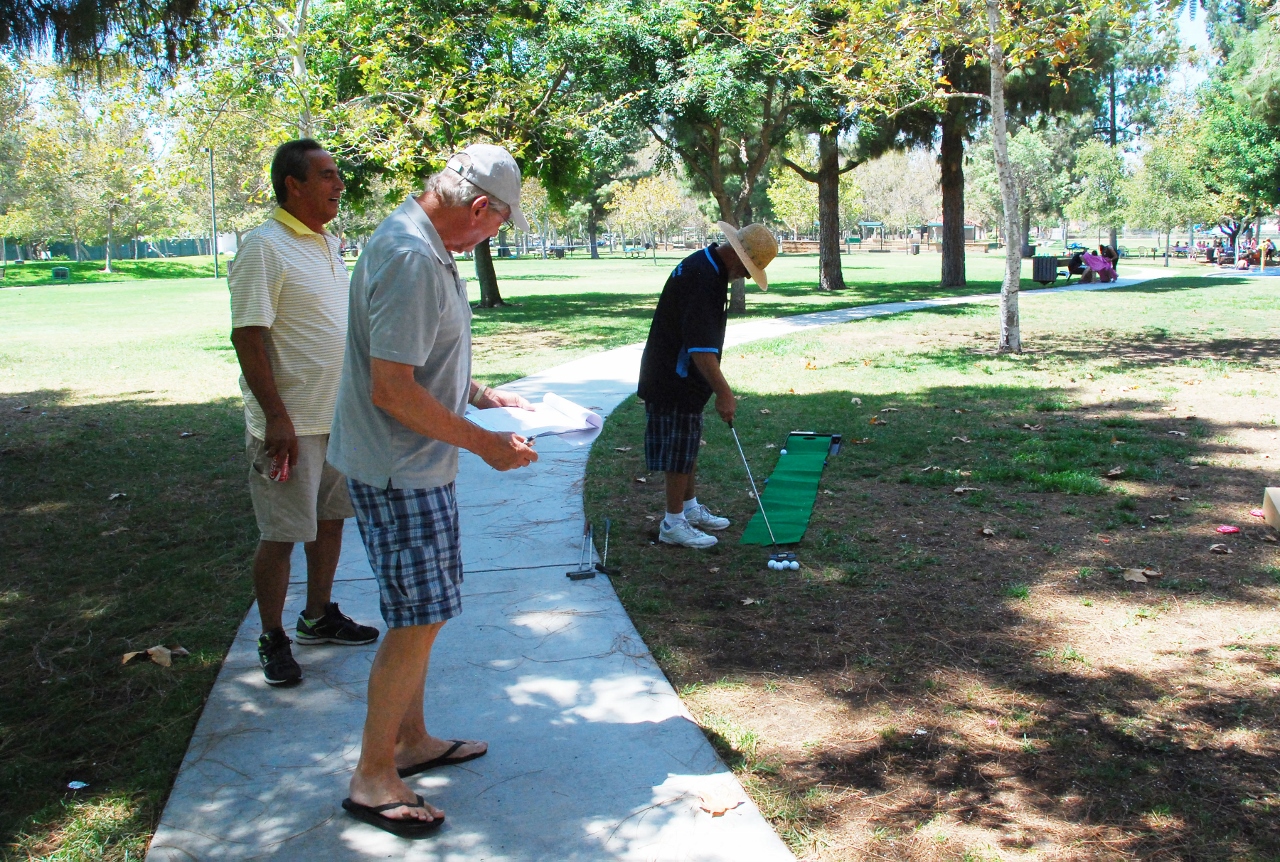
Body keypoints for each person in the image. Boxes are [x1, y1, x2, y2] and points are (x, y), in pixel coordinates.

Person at [328, 144, 538, 836]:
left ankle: (410, 741)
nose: (494, 235)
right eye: (499, 225)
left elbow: (413, 358)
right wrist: (487, 445)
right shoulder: (414, 256)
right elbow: (391, 390)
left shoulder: (417, 241)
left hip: (416, 465)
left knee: (428, 609)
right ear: (480, 209)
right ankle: (372, 776)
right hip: (400, 468)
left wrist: (478, 393)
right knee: (415, 618)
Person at [228, 139, 379, 687]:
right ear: (294, 184)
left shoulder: (326, 244)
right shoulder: (264, 247)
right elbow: (248, 336)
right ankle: (272, 637)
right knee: (282, 532)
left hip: (336, 418)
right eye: (327, 175)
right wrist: (276, 417)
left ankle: (318, 616)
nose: (339, 184)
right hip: (290, 423)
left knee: (330, 521)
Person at [637, 222, 778, 549]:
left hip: (677, 376)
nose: (745, 276)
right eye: (748, 269)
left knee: (687, 446)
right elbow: (701, 351)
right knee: (678, 451)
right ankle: (673, 524)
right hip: (674, 378)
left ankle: (688, 509)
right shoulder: (704, 280)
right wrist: (724, 394)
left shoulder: (706, 265)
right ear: (739, 257)